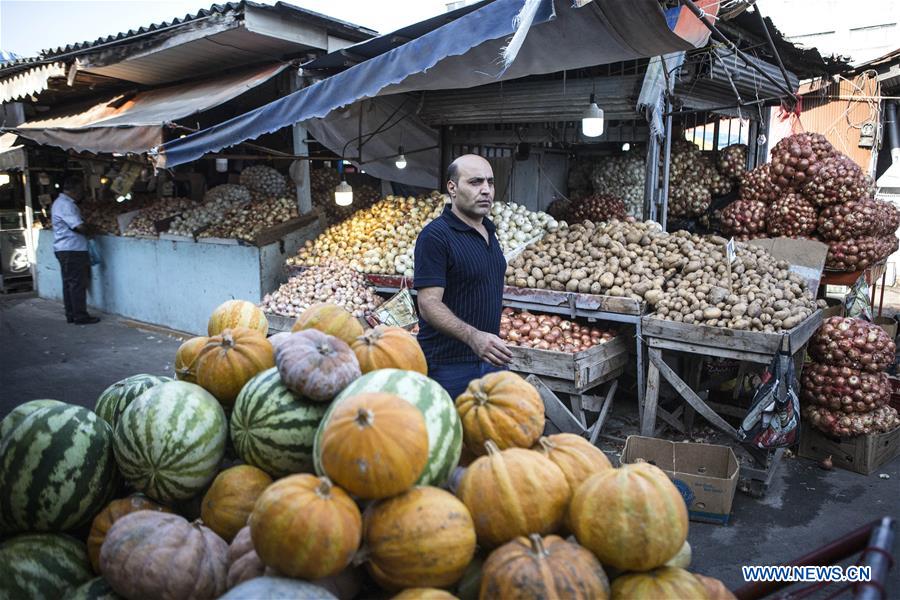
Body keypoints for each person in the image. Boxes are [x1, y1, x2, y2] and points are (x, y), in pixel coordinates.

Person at [414, 154, 512, 400]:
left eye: (490, 182)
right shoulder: (435, 236)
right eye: (475, 182)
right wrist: (473, 336)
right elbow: (428, 304)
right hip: (448, 366)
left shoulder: (489, 231)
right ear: (452, 188)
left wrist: (484, 341)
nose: (486, 190)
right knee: (451, 426)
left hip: (490, 359)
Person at [51, 176, 100, 324]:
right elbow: (78, 227)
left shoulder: (60, 203)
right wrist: (92, 230)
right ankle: (80, 316)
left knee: (69, 284)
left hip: (65, 249)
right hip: (72, 249)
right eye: (81, 189)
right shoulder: (66, 205)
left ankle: (71, 314)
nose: (82, 192)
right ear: (75, 189)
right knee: (77, 283)